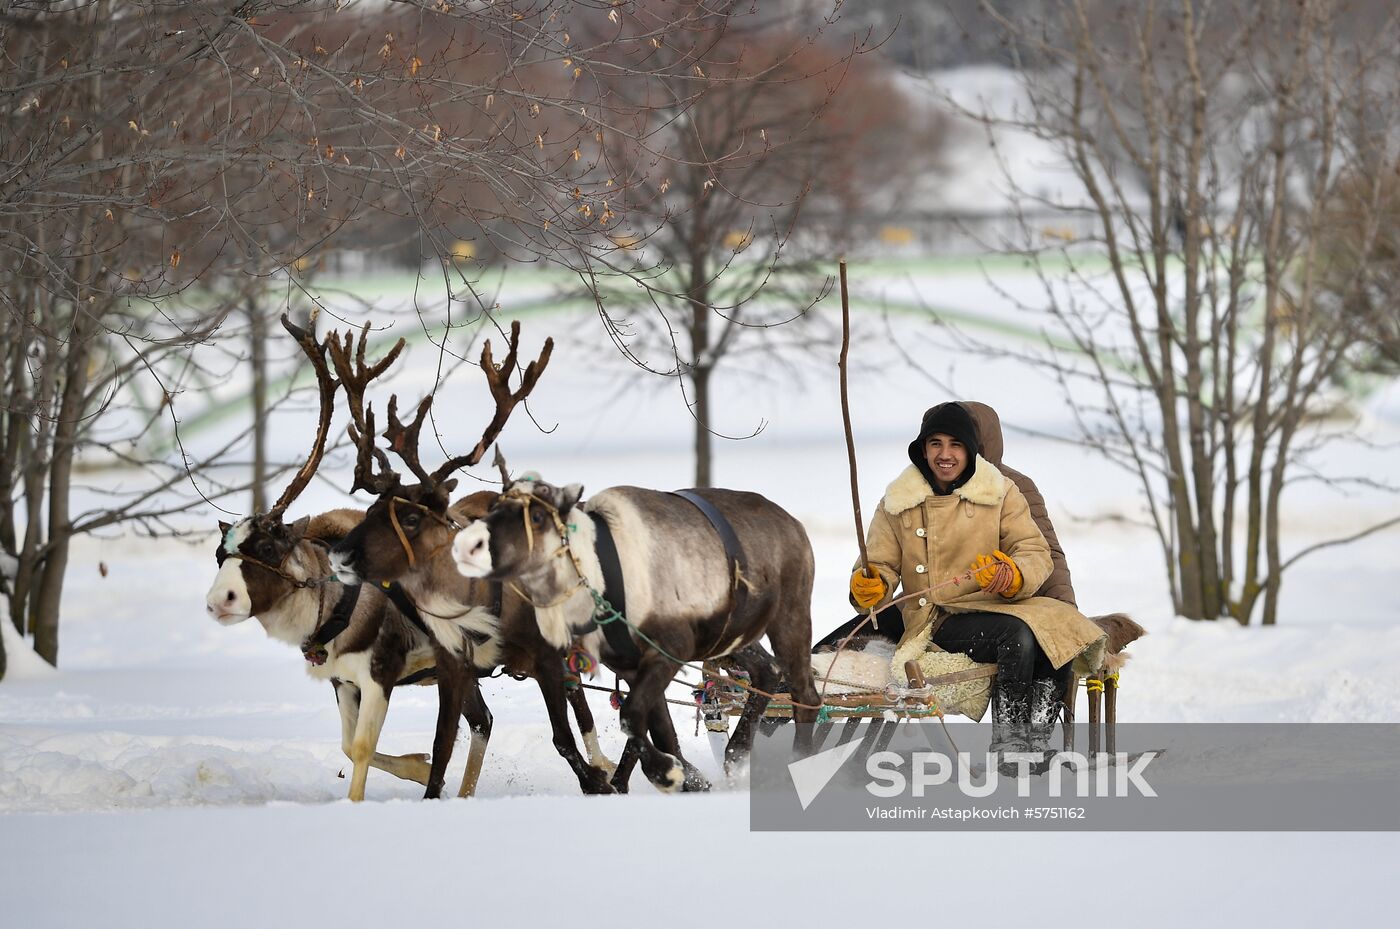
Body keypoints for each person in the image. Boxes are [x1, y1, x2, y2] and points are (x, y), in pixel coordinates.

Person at [843, 401, 1105, 765]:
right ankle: (1010, 748)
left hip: (996, 604)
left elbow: (1035, 551)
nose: (945, 454)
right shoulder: (897, 502)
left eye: (956, 444)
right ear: (922, 449)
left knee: (1059, 627)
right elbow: (878, 564)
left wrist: (1012, 574)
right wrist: (869, 585)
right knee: (1015, 636)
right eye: (935, 443)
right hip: (936, 615)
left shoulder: (1000, 491)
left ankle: (1035, 739)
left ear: (970, 449)